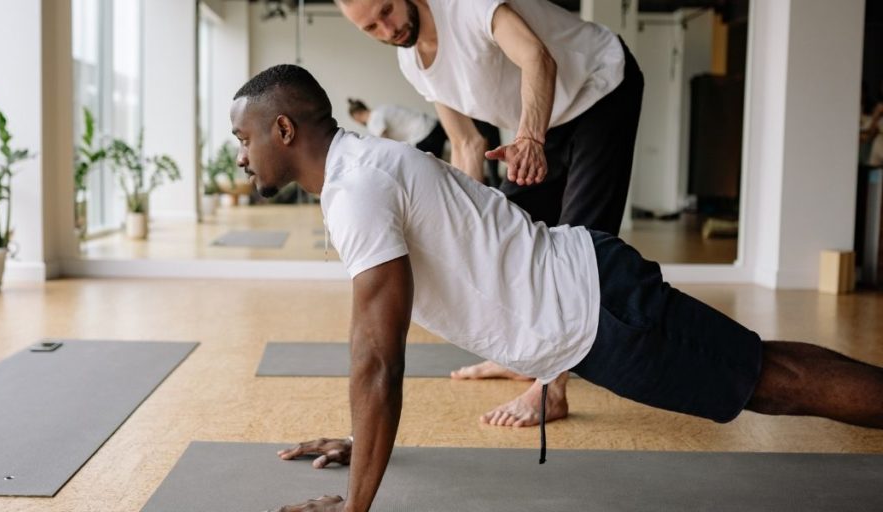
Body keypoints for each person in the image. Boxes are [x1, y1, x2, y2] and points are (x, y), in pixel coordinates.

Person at [231, 64, 883, 512]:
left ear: (283, 130)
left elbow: (377, 357)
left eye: (243, 137)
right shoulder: (364, 169)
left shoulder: (358, 190)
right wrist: (363, 443)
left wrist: (356, 504)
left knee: (774, 382)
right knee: (768, 373)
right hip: (593, 296)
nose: (239, 155)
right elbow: (375, 352)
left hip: (600, 312)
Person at [335, 0, 646, 427]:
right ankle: (528, 355)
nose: (386, 30)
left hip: (600, 87)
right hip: (543, 121)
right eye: (370, 28)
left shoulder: (464, 6)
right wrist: (464, 229)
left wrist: (530, 140)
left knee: (581, 241)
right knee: (506, 235)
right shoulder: (413, 63)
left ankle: (550, 389)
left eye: (386, 11)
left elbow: (538, 57)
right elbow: (467, 144)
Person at [347, 98, 504, 185]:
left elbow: (384, 143)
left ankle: (475, 185)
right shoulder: (383, 108)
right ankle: (490, 175)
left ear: (357, 116)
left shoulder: (374, 119)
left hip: (424, 136)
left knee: (429, 172)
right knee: (464, 146)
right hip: (434, 125)